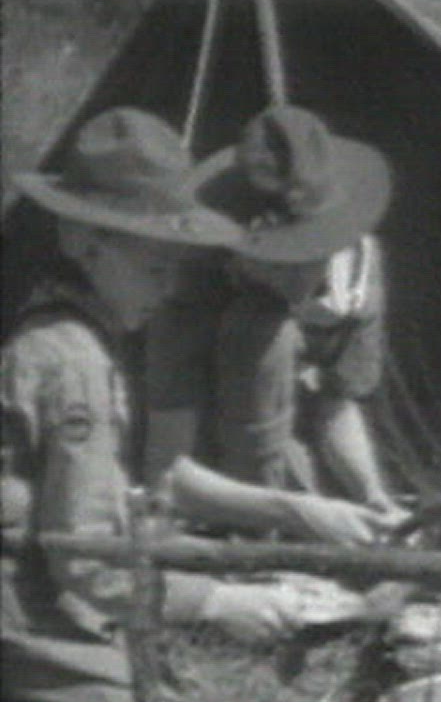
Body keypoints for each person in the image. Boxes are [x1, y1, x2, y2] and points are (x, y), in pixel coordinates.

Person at [0, 108, 342, 702]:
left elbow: (102, 514)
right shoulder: (72, 361)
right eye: (155, 266)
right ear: (83, 242)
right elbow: (87, 560)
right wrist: (216, 602)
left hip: (35, 594)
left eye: (175, 268)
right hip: (15, 610)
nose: (168, 287)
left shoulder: (72, 335)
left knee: (160, 691)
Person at [142, 105, 408, 524]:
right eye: (282, 258)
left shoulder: (358, 277)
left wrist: (372, 493)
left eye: (312, 251)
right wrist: (281, 513)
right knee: (259, 328)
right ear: (244, 253)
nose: (298, 272)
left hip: (301, 460)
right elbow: (168, 468)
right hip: (211, 475)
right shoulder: (189, 293)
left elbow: (338, 403)